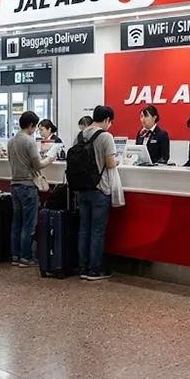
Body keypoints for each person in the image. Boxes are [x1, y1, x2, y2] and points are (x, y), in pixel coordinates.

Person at [8, 111, 58, 267]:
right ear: (31, 125)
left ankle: (15, 255)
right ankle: (26, 257)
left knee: (17, 222)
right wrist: (50, 158)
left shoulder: (11, 141)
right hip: (28, 186)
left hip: (14, 185)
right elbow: (37, 164)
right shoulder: (29, 141)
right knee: (29, 223)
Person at [74, 105, 117, 281]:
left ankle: (82, 267)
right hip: (100, 189)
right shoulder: (106, 137)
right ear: (106, 120)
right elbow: (110, 164)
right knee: (97, 231)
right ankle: (94, 270)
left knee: (84, 228)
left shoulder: (80, 135)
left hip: (82, 188)